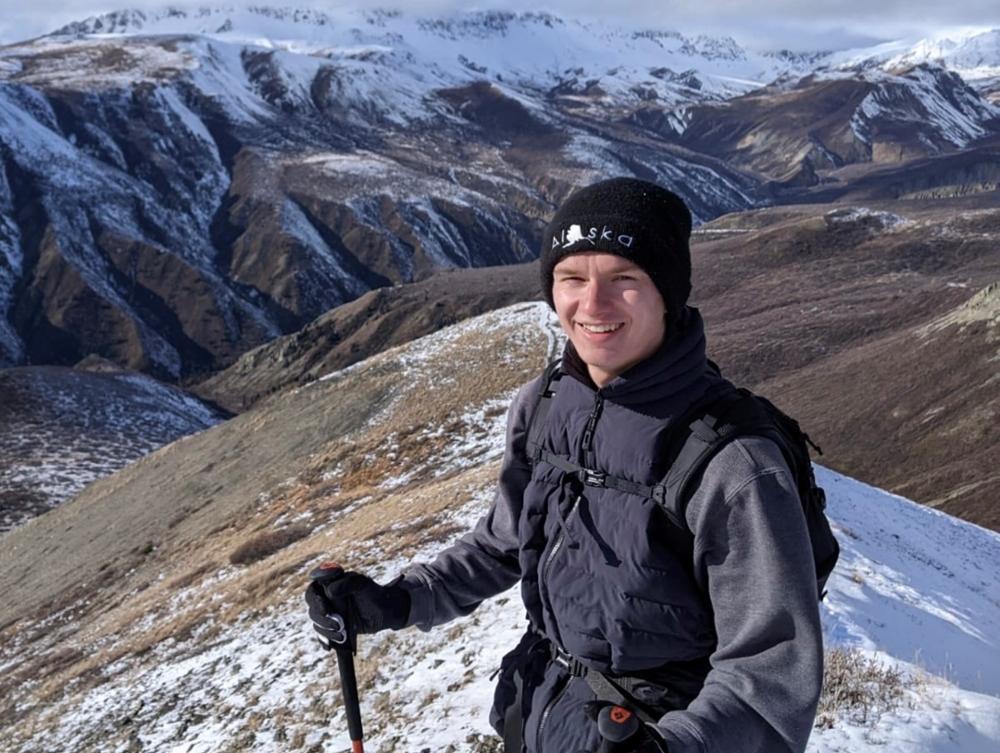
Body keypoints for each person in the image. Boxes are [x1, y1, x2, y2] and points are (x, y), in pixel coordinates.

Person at [306, 177, 824, 752]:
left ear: (668, 293)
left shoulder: (733, 463)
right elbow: (503, 542)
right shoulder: (545, 403)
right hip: (545, 715)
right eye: (571, 278)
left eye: (624, 279)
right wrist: (397, 600)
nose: (592, 305)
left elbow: (770, 671)